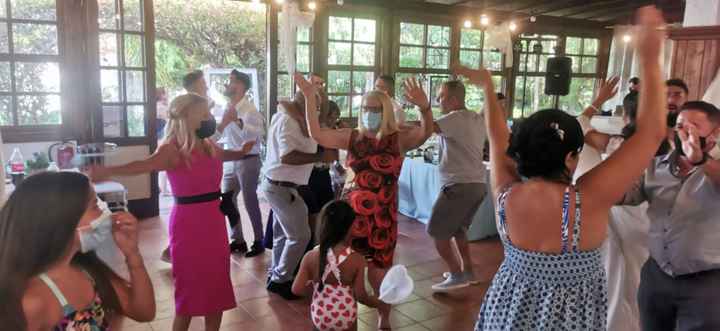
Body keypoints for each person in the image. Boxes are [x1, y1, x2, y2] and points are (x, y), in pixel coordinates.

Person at [462, 5, 667, 330]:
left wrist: (488, 88)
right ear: (571, 157)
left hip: (507, 311)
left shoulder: (505, 192)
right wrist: (651, 57)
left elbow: (496, 137)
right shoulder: (588, 200)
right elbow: (653, 132)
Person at [88, 93, 255, 331]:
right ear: (188, 116)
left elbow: (223, 155)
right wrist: (108, 171)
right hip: (189, 224)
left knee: (216, 285)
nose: (209, 118)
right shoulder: (172, 149)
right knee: (188, 291)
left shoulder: (207, 144)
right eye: (204, 113)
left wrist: (241, 152)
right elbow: (143, 165)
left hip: (214, 221)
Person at [298, 72, 433, 329]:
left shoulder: (398, 139)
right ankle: (341, 313)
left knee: (380, 271)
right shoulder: (352, 136)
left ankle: (384, 317)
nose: (369, 113)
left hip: (382, 215)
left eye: (375, 109)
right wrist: (308, 97)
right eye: (365, 108)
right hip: (350, 217)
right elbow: (316, 133)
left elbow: (425, 133)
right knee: (344, 265)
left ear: (386, 111)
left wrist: (425, 107)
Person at [0, 172, 155, 330]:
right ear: (62, 220)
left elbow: (144, 313)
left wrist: (132, 254)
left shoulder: (88, 269)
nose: (104, 212)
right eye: (95, 206)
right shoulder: (31, 302)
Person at [619, 100, 720, 330]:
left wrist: (700, 160)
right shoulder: (656, 166)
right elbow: (627, 194)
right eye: (680, 125)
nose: (683, 132)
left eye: (693, 126)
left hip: (706, 284)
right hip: (657, 276)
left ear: (715, 134)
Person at [582, 89, 650, 331]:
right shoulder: (669, 146)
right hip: (647, 222)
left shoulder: (616, 143)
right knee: (640, 281)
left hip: (618, 219)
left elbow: (581, 126)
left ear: (626, 118)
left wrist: (597, 101)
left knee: (616, 281)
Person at [262, 85, 336, 301]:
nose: (319, 110)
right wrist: (320, 157)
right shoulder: (289, 120)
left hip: (284, 186)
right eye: (316, 105)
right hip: (281, 186)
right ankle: (280, 279)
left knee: (282, 234)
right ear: (304, 103)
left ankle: (278, 273)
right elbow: (288, 156)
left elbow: (315, 128)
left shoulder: (298, 118)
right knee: (301, 235)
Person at [426, 80, 488, 292]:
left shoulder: (455, 118)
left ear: (453, 99)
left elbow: (427, 129)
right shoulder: (475, 118)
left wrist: (419, 108)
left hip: (459, 186)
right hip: (477, 185)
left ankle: (456, 274)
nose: (437, 100)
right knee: (458, 230)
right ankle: (468, 271)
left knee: (437, 231)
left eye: (440, 96)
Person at [292, 200, 382, 331]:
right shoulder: (357, 259)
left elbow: (297, 289)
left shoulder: (310, 257)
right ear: (350, 227)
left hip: (320, 315)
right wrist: (377, 302)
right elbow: (361, 296)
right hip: (345, 314)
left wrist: (317, 288)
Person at [160, 70, 216, 263]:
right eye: (203, 83)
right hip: (189, 207)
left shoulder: (205, 105)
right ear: (193, 85)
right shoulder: (187, 110)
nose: (206, 86)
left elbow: (208, 136)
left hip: (211, 210)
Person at [216, 69, 265, 257]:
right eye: (229, 80)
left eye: (232, 80)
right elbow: (222, 134)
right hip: (231, 158)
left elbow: (254, 135)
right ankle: (238, 240)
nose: (228, 83)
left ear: (242, 86)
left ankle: (259, 240)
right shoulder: (227, 107)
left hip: (248, 160)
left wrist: (236, 120)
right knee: (227, 199)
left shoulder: (250, 110)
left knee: (249, 201)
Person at [157, 88, 171, 196]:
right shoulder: (161, 107)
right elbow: (170, 119)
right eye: (165, 94)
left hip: (158, 136)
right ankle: (163, 189)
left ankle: (163, 188)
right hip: (162, 137)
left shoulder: (155, 106)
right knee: (164, 163)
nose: (167, 96)